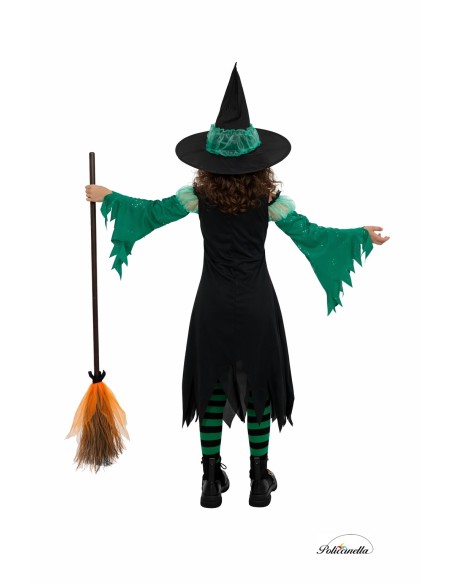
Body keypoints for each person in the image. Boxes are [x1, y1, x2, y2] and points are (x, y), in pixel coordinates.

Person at [84, 64, 390, 509]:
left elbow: (150, 214)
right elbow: (313, 235)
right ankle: (259, 480)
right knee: (258, 385)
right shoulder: (268, 201)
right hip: (257, 304)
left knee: (211, 386)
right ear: (257, 162)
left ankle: (210, 480)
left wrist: (108, 197)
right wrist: (360, 236)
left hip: (211, 304)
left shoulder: (198, 197)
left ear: (209, 162)